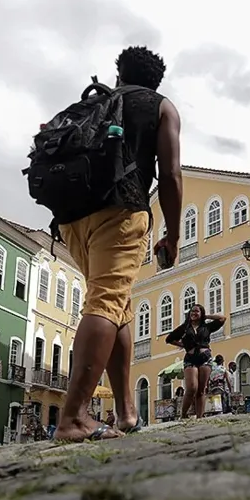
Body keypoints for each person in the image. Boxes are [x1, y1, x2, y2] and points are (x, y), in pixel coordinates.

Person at [49, 46, 183, 442]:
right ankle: (73, 419)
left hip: (71, 218)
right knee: (107, 302)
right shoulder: (161, 107)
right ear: (156, 81)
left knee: (118, 305)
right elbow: (171, 175)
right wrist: (173, 235)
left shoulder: (94, 102)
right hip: (120, 211)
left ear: (119, 73)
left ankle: (126, 411)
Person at [166, 304, 226, 419]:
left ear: (201, 313)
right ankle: (183, 415)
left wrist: (206, 316)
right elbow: (169, 339)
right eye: (192, 311)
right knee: (192, 387)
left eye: (197, 311)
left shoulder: (207, 327)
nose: (193, 313)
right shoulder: (184, 328)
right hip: (190, 359)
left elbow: (222, 318)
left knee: (201, 390)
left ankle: (200, 417)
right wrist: (182, 345)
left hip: (205, 358)